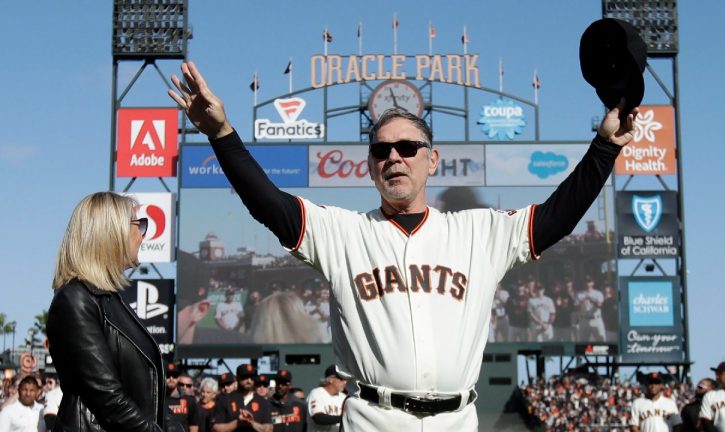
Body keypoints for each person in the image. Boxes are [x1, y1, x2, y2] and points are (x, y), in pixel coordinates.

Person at [169, 61, 638, 431]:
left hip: (456, 422)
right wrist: (221, 135)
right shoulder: (344, 233)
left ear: (432, 160)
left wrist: (604, 149)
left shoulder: (479, 232)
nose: (393, 156)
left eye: (408, 147)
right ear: (370, 167)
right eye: (380, 150)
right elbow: (268, 203)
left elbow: (558, 216)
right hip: (374, 419)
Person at [47, 192, 164, 431]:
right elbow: (109, 398)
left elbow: (147, 398)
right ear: (111, 233)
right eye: (138, 224)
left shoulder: (109, 299)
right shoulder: (75, 299)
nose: (144, 235)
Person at [212, 364, 271, 432]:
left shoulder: (262, 402)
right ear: (237, 378)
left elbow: (269, 429)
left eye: (252, 377)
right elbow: (216, 428)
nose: (249, 381)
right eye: (245, 377)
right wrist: (237, 423)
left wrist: (252, 422)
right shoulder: (225, 400)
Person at [306, 366, 348, 432]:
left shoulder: (343, 397)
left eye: (345, 379)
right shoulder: (317, 393)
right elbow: (318, 418)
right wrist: (344, 419)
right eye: (341, 379)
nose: (345, 382)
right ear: (330, 379)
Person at [575, 276, 606, 341]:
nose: (588, 284)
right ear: (584, 283)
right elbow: (576, 308)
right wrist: (582, 301)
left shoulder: (598, 293)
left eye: (589, 282)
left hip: (596, 319)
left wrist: (591, 299)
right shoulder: (579, 294)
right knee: (583, 343)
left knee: (601, 341)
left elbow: (601, 306)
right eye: (586, 282)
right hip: (584, 320)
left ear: (593, 283)